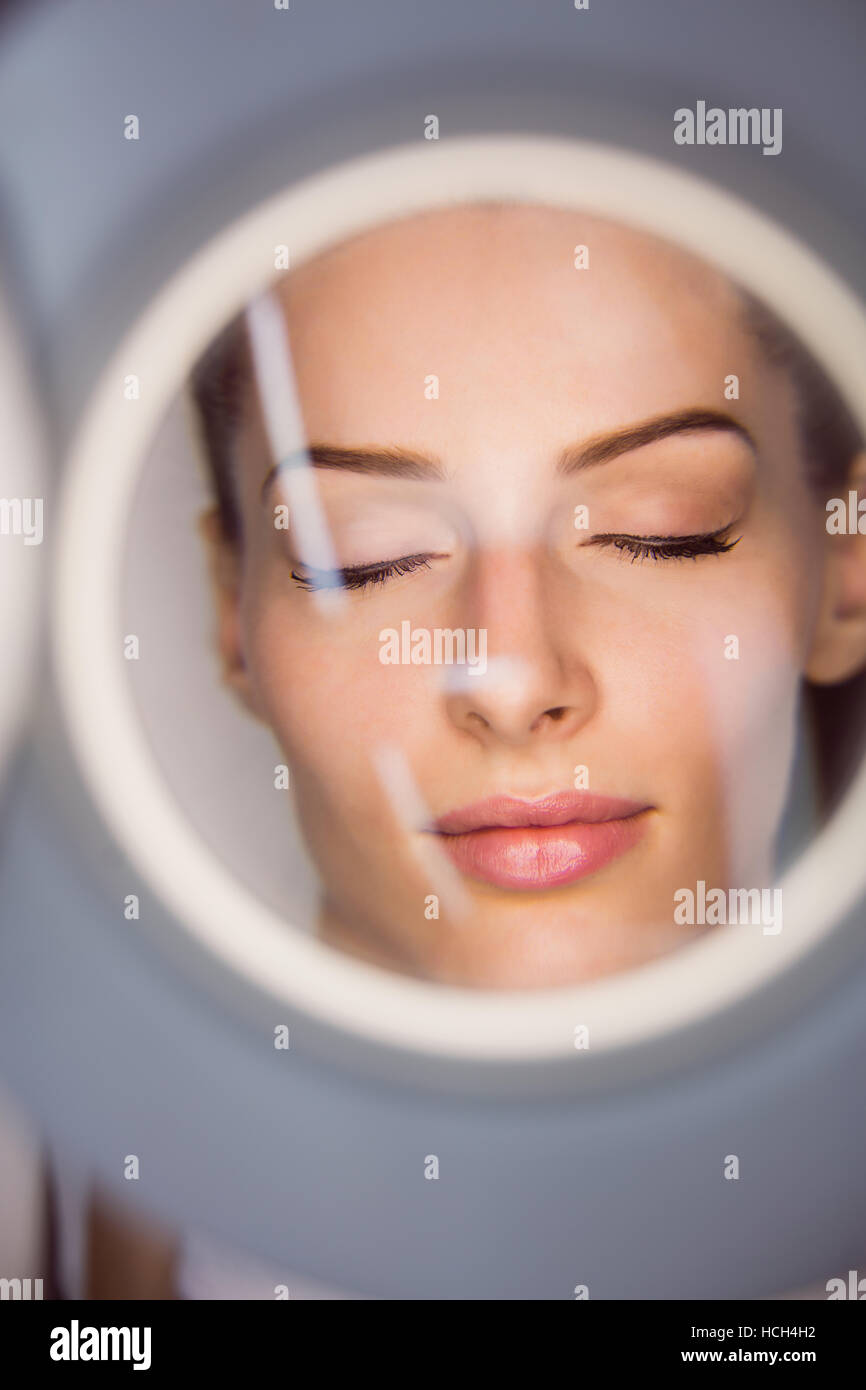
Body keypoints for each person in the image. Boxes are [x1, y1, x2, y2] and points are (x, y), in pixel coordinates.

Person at [67, 199, 866, 1296]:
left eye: (658, 526)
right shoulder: (132, 1164)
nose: (507, 674)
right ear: (229, 616)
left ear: (845, 568)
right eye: (368, 556)